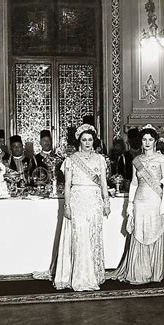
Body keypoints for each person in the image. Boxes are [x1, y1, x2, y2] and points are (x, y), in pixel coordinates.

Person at [108, 124, 164, 284]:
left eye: (150, 139)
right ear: (141, 141)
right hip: (140, 201)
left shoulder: (161, 158)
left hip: (155, 200)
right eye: (144, 139)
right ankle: (138, 271)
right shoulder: (137, 160)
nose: (147, 142)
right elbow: (134, 183)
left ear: (155, 141)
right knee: (140, 232)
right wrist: (130, 204)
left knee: (155, 231)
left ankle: (154, 271)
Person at [54, 123, 110, 291]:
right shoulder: (71, 160)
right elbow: (68, 184)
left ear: (94, 141)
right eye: (84, 140)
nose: (87, 143)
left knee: (93, 234)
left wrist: (106, 202)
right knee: (80, 235)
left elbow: (104, 183)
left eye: (90, 140)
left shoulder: (100, 159)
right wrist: (67, 206)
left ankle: (94, 273)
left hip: (94, 200)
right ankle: (79, 276)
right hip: (77, 199)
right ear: (79, 141)